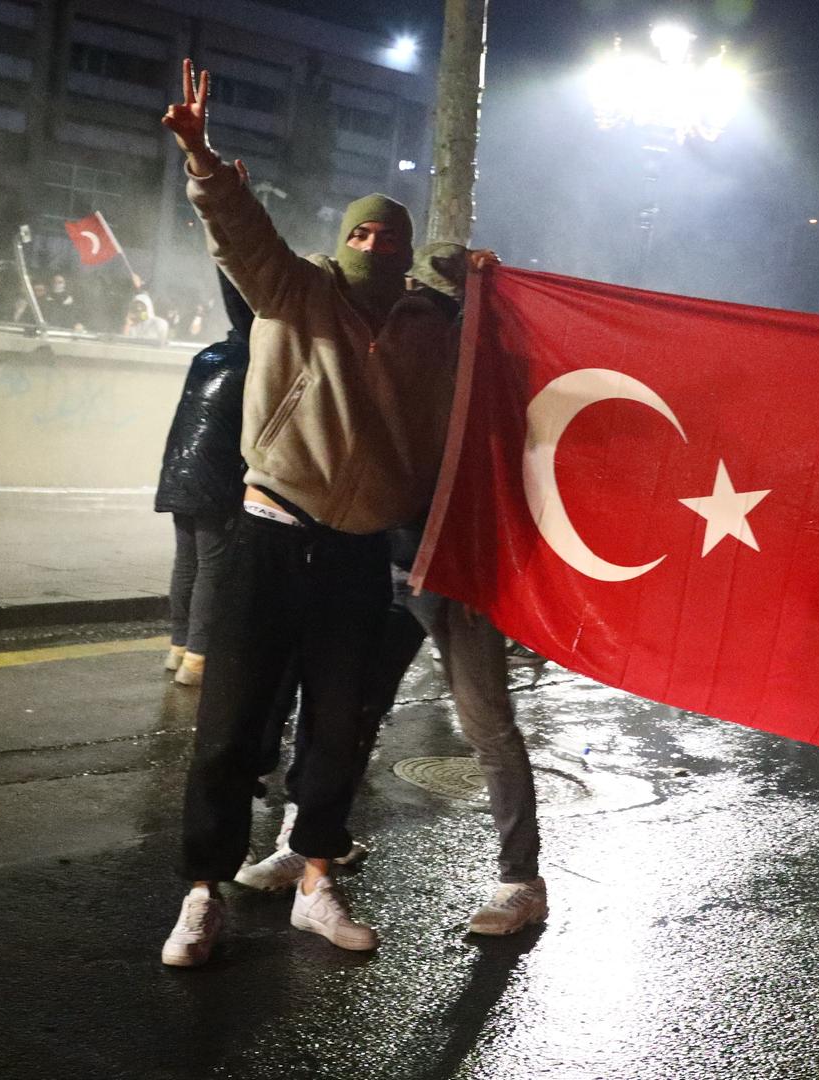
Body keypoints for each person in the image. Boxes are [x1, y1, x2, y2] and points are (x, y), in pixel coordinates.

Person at [157, 58, 455, 968]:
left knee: (339, 728)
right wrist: (202, 158)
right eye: (363, 232)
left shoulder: (428, 326)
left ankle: (316, 882)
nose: (378, 244)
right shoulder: (291, 288)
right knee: (229, 729)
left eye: (392, 236)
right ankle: (203, 892)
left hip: (360, 556)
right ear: (341, 239)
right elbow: (235, 231)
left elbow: (490, 329)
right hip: (269, 538)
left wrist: (479, 281)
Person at [237, 241, 550, 937]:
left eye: (440, 305)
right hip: (388, 555)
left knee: (485, 722)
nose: (424, 316)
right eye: (422, 301)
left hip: (458, 569)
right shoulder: (398, 348)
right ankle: (310, 843)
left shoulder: (495, 375)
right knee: (343, 713)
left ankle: (522, 879)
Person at [155, 271, 253, 686]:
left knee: (187, 563)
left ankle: (177, 649)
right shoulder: (257, 363)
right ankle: (198, 657)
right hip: (215, 480)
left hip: (179, 472)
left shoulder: (208, 356)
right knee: (213, 568)